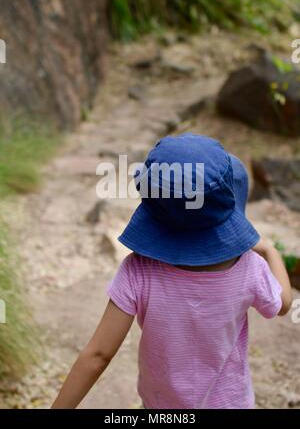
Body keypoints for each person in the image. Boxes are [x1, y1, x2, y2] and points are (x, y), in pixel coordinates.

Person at [52, 133, 292, 409]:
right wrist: (270, 250)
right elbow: (283, 304)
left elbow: (98, 355)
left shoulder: (139, 271)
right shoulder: (249, 267)